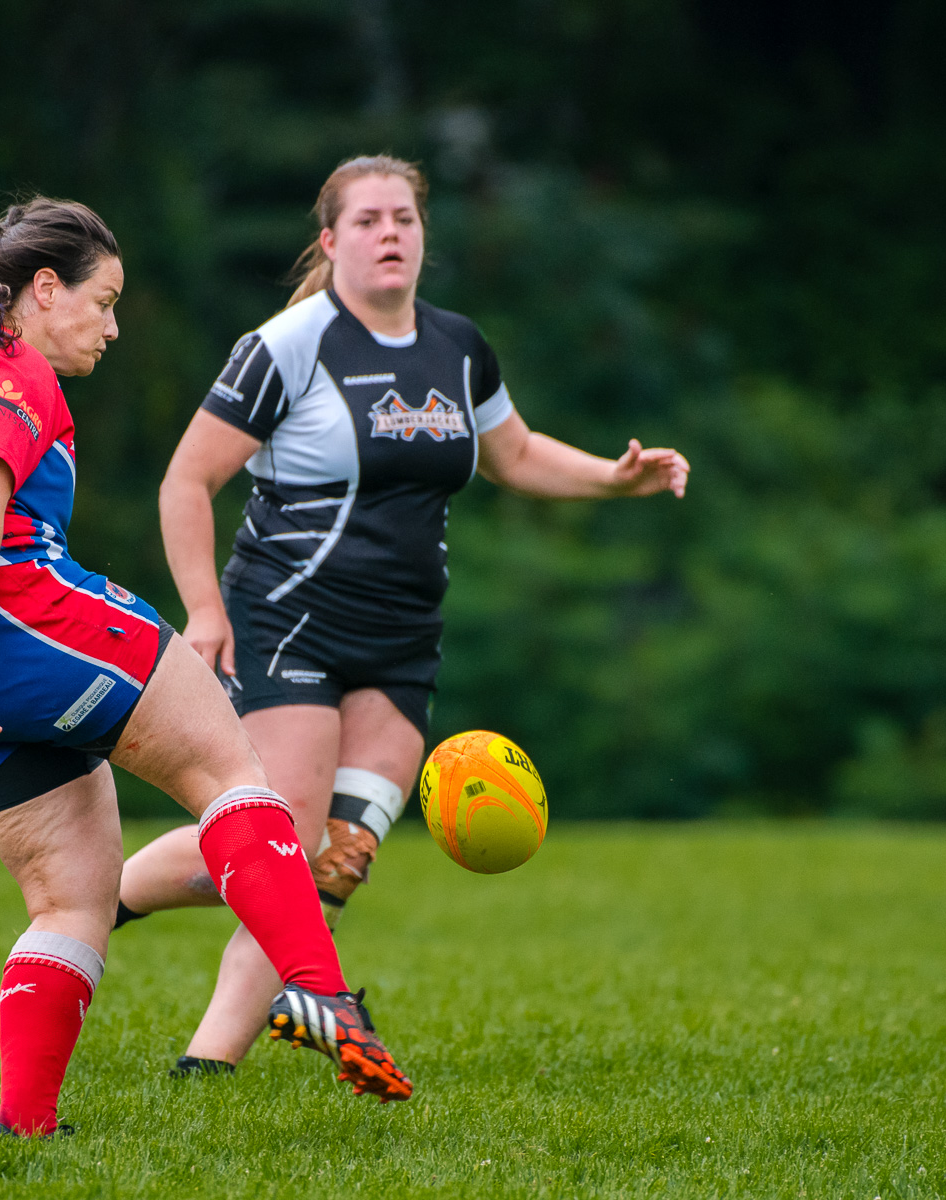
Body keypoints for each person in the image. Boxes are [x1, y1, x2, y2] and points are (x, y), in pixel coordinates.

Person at [0, 197, 412, 1136]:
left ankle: (24, 1126)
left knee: (73, 892)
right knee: (232, 771)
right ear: (42, 290)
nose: (111, 326)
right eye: (102, 302)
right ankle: (317, 989)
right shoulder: (10, 362)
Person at [115, 156, 689, 1075]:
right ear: (332, 240)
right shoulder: (289, 344)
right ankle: (105, 900)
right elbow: (188, 479)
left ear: (424, 236)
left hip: (402, 637)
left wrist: (615, 479)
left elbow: (518, 453)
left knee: (333, 864)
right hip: (290, 618)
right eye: (371, 220)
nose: (391, 234)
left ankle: (208, 1062)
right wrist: (203, 611)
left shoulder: (459, 347)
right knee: (287, 840)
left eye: (406, 220)